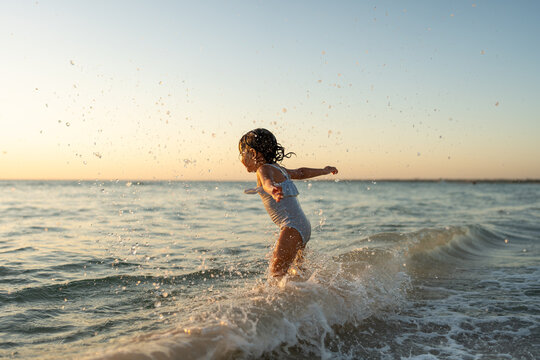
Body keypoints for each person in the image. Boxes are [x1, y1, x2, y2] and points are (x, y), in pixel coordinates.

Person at [238, 128, 338, 278]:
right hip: (302, 226)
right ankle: (313, 297)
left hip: (291, 227)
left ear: (252, 153)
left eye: (242, 153)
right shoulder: (279, 168)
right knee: (298, 274)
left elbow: (266, 182)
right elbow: (301, 172)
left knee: (276, 275)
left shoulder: (263, 169)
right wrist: (323, 170)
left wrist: (272, 189)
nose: (240, 158)